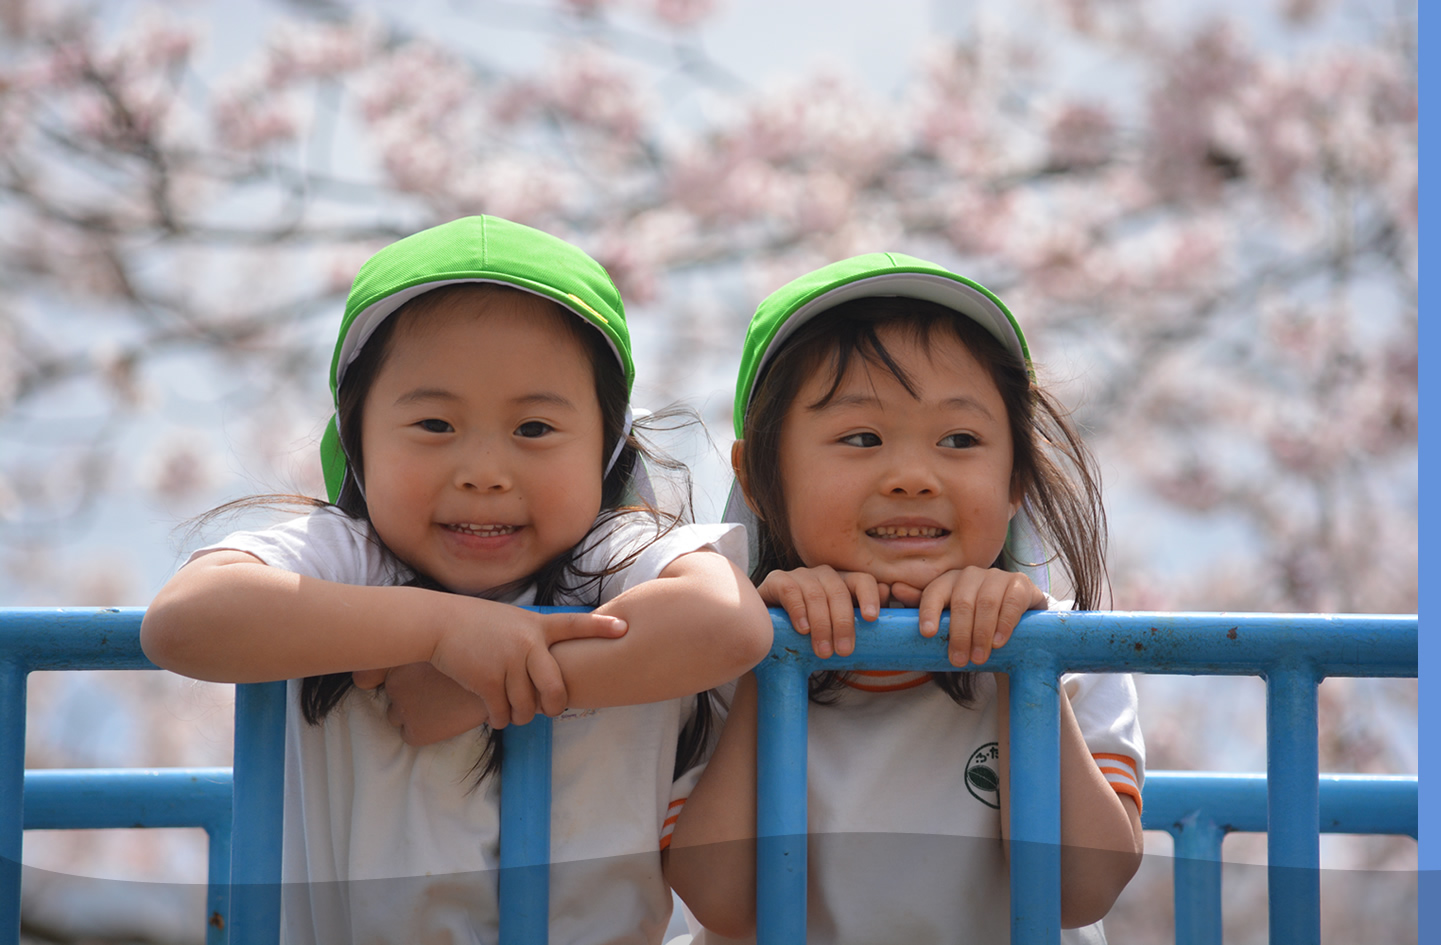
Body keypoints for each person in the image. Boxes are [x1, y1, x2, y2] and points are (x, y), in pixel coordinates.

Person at [140, 215, 772, 944]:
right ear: (357, 439)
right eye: (435, 425)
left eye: (534, 429)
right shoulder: (350, 556)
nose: (483, 471)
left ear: (605, 448)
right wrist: (442, 630)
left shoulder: (611, 552)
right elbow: (184, 619)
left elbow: (730, 621)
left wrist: (493, 677)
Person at [665, 253, 1145, 943]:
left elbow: (1082, 888)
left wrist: (1020, 668)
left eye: (960, 438)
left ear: (1015, 475)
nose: (914, 476)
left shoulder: (1064, 651)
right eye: (861, 437)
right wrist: (774, 658)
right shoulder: (719, 657)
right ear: (761, 478)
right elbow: (725, 902)